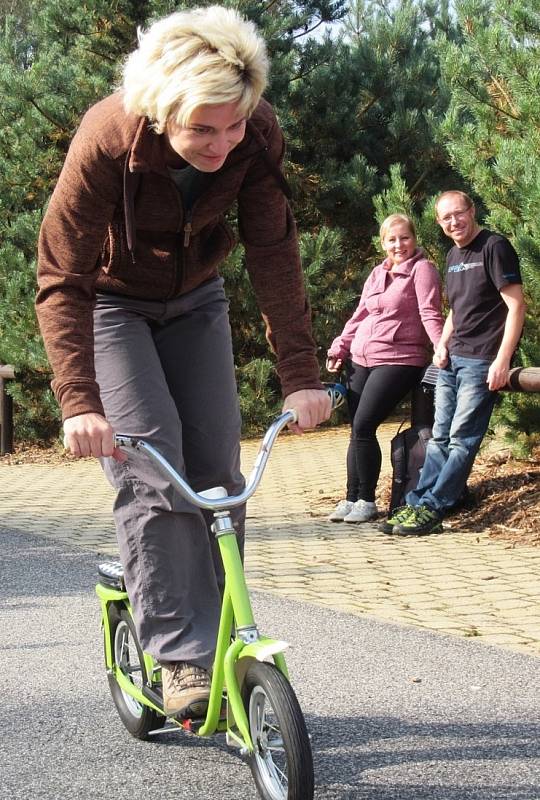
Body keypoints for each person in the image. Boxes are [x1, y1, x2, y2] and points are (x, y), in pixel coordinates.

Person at [35, 6, 331, 718]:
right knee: (153, 470)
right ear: (162, 108)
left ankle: (223, 633)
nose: (222, 143)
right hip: (110, 303)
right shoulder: (108, 137)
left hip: (195, 299)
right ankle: (181, 656)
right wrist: (79, 402)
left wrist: (300, 375)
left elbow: (273, 250)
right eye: (202, 127)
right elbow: (61, 276)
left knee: (219, 478)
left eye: (233, 125)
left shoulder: (255, 135)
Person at [384, 190, 526, 536]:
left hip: (482, 361)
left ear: (471, 211)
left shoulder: (494, 247)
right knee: (439, 438)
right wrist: (442, 344)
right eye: (446, 218)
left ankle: (433, 508)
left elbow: (516, 306)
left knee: (463, 439)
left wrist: (502, 359)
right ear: (439, 222)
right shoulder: (452, 255)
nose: (454, 222)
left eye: (458, 214)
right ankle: (416, 504)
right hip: (452, 360)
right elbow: (456, 311)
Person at [326, 214, 444, 523]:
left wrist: (443, 349)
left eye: (404, 237)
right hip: (361, 356)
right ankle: (351, 498)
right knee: (357, 430)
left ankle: (367, 500)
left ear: (414, 238)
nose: (399, 245)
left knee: (364, 425)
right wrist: (339, 346)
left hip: (399, 358)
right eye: (392, 239)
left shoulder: (422, 270)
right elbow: (359, 314)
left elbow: (430, 312)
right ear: (383, 243)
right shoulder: (378, 273)